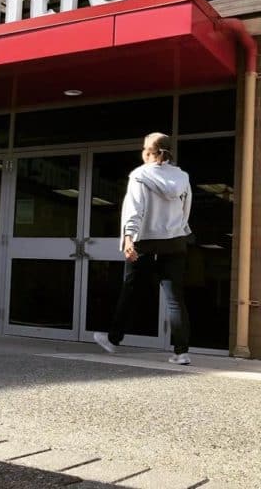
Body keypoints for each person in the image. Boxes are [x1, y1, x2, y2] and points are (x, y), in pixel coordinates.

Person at [94, 132, 193, 364]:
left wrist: (129, 238)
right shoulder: (183, 177)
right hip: (175, 242)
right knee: (175, 298)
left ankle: (113, 340)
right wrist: (175, 231)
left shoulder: (139, 175)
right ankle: (182, 352)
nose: (142, 151)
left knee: (130, 290)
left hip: (145, 242)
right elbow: (185, 210)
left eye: (144, 148)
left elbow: (134, 209)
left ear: (150, 152)